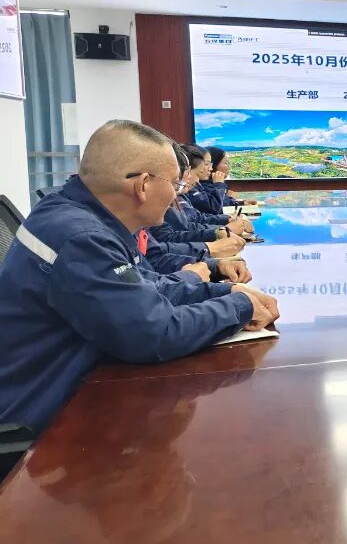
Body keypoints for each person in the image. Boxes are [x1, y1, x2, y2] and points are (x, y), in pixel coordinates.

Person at [0, 120, 279, 436]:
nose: (177, 195)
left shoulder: (86, 216)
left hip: (77, 381)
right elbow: (154, 333)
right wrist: (240, 307)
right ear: (143, 185)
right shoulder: (82, 237)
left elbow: (147, 287)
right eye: (175, 184)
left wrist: (224, 291)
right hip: (45, 416)